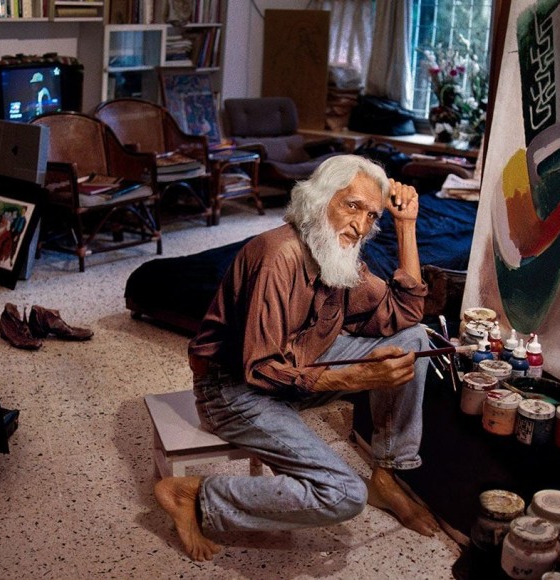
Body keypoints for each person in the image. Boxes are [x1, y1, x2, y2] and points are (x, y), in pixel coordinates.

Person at [155, 154, 439, 561]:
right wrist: (353, 379)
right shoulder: (278, 255)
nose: (360, 226)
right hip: (234, 390)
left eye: (371, 215)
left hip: (297, 369)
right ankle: (197, 495)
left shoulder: (336, 254)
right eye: (351, 205)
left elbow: (405, 313)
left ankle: (386, 473)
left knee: (416, 339)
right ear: (320, 198)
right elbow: (259, 369)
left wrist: (405, 225)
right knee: (343, 494)